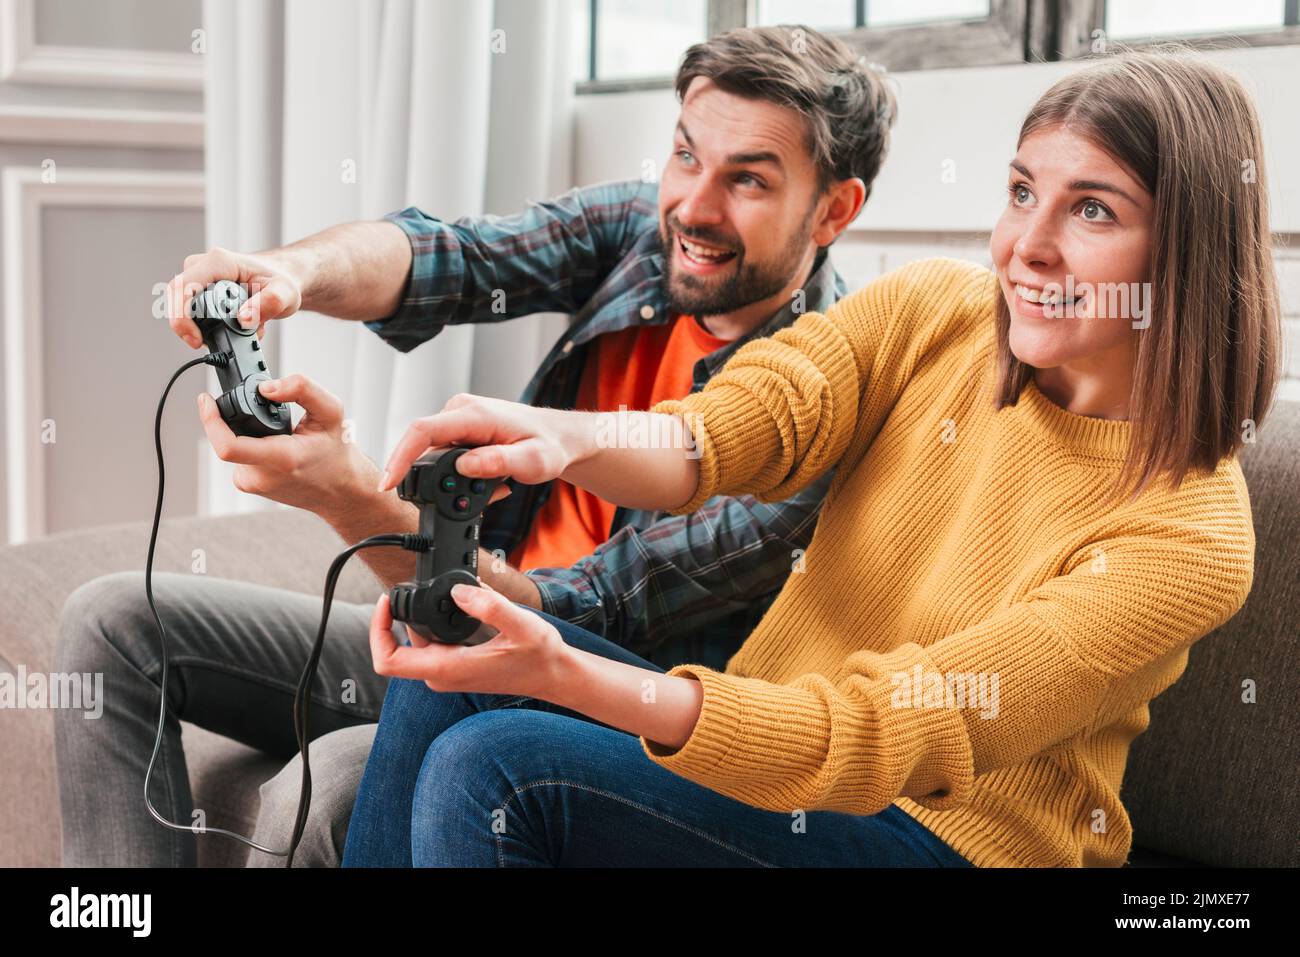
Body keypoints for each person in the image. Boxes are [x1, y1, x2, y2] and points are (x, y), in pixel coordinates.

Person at [342, 45, 1282, 868]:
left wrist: (565, 672)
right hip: (767, 765)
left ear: (1185, 254)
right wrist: (564, 438)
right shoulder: (935, 314)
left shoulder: (1187, 533)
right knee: (447, 653)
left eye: (1093, 212)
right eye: (1023, 192)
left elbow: (890, 731)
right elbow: (743, 423)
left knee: (496, 766)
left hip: (939, 837)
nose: (1026, 247)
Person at [51, 24, 897, 867]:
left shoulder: (816, 410)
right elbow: (447, 256)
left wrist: (347, 495)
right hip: (452, 625)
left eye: (747, 181)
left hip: (581, 697)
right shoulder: (646, 237)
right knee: (114, 623)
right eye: (685, 156)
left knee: (333, 781)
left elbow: (558, 620)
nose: (694, 207)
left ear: (834, 210)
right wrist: (289, 273)